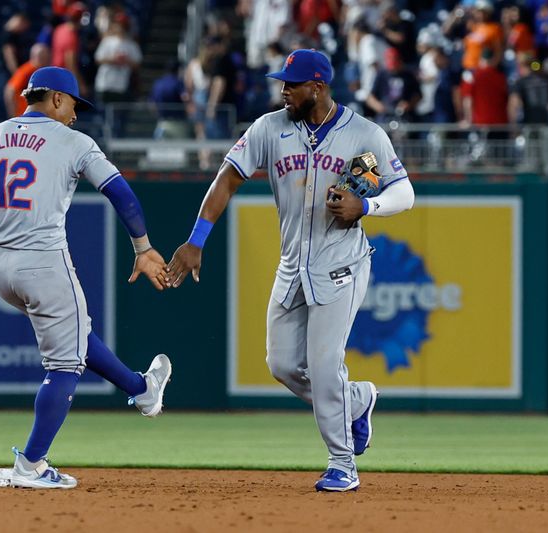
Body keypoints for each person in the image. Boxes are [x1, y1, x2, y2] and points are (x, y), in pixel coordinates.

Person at [165, 49, 414, 492]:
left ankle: (343, 463)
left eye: (291, 84)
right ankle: (356, 400)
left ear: (317, 87)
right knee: (281, 364)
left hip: (342, 263)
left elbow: (404, 192)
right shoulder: (269, 128)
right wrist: (196, 239)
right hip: (292, 265)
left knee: (323, 365)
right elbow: (227, 178)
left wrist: (367, 205)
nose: (283, 90)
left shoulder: (363, 134)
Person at [0, 67, 172, 489]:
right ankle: (32, 464)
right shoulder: (74, 142)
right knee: (64, 362)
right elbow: (120, 192)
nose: (76, 116)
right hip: (43, 262)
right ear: (57, 99)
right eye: (74, 106)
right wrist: (142, 246)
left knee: (75, 333)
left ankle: (142, 389)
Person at [4, 43, 51, 118]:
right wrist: (13, 116)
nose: (46, 60)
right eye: (43, 57)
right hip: (24, 117)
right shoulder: (27, 71)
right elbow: (10, 91)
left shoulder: (42, 72)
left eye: (47, 57)